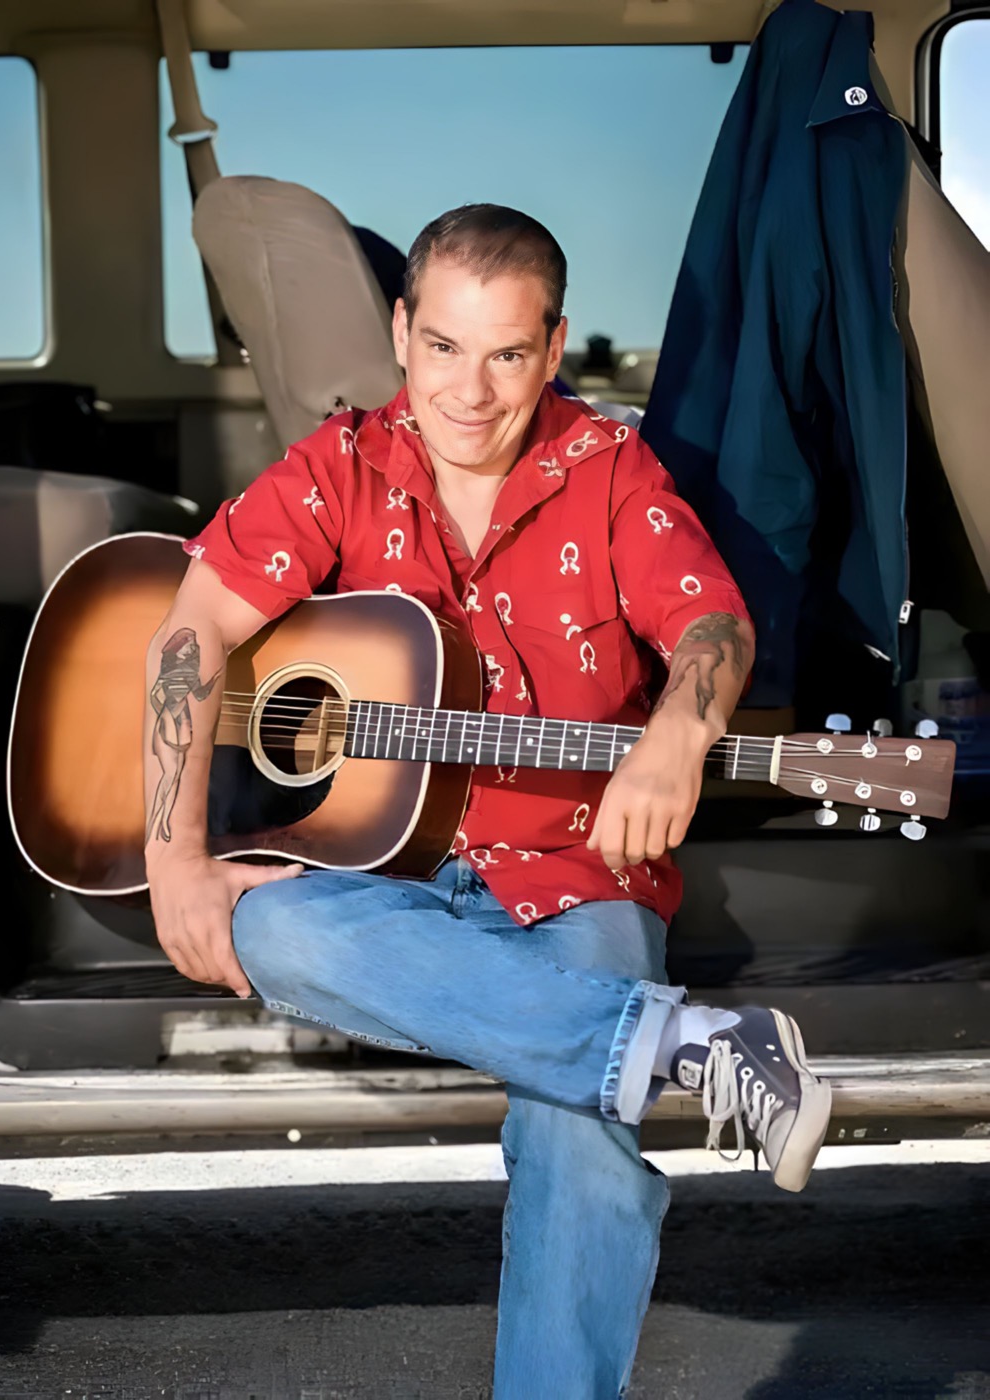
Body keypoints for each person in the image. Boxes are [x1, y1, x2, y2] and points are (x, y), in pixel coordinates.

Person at [144, 204, 832, 1399]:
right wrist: (175, 858)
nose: (470, 389)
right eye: (446, 347)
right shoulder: (341, 465)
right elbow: (191, 627)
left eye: (507, 353)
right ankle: (678, 1044)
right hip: (390, 878)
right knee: (271, 920)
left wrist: (677, 728)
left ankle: (623, 1065)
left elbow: (711, 622)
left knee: (581, 1130)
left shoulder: (609, 468)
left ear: (553, 346)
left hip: (574, 872)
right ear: (402, 330)